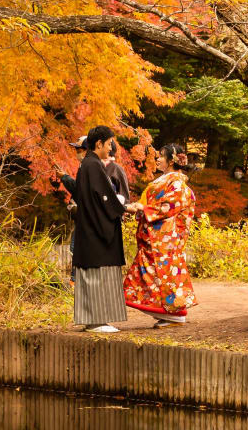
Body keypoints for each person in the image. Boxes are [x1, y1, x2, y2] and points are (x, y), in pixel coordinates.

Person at [123, 142, 197, 327]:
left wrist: (143, 208)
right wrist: (139, 209)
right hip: (155, 236)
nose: (157, 159)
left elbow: (168, 207)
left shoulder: (177, 183)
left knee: (163, 275)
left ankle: (174, 313)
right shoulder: (166, 181)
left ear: (171, 161)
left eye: (161, 156)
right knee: (156, 275)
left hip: (165, 238)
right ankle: (169, 313)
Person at [72, 125, 135, 333]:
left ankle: (96, 319)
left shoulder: (88, 164)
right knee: (96, 274)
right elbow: (104, 200)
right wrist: (125, 208)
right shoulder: (93, 166)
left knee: (96, 275)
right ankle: (96, 320)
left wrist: (120, 207)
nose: (111, 148)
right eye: (109, 144)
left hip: (90, 227)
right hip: (95, 231)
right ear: (98, 144)